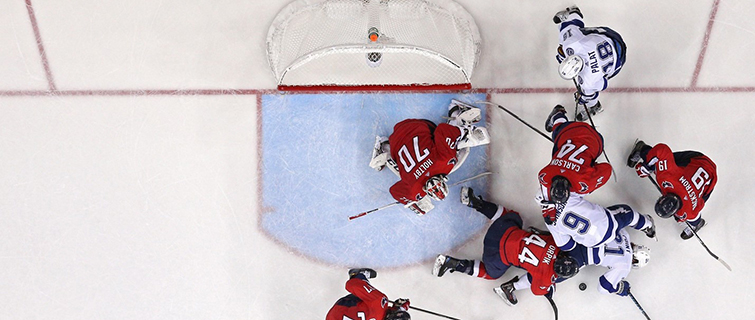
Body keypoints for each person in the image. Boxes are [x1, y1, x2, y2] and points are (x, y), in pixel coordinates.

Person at [432, 187, 580, 306]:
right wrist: (548, 284)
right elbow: (537, 289)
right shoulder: (546, 277)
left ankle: (474, 202)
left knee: (514, 216)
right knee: (492, 275)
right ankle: (451, 263)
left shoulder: (557, 243)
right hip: (495, 254)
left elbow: (539, 232)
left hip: (503, 230)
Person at [369, 99, 490, 215]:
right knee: (405, 176)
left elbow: (443, 130)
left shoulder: (444, 162)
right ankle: (384, 147)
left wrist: (466, 134)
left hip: (414, 125)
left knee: (454, 151)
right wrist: (413, 201)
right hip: (394, 141)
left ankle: (458, 112)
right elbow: (394, 191)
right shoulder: (414, 189)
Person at [627, 140, 718, 239]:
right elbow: (662, 150)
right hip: (698, 162)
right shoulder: (666, 176)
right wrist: (647, 166)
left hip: (706, 173)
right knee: (657, 164)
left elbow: (662, 150)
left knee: (658, 164)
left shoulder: (688, 211)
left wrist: (648, 166)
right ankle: (643, 150)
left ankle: (695, 225)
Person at [553, 6, 627, 121]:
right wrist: (583, 97)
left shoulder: (588, 81)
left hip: (617, 61)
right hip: (612, 38)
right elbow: (568, 27)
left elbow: (603, 85)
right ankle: (574, 13)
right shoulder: (573, 44)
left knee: (590, 91)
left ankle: (595, 107)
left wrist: (585, 97)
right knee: (573, 33)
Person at [538, 105, 612, 205]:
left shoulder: (583, 185)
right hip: (569, 131)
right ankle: (558, 115)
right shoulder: (545, 175)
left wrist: (592, 173)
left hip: (594, 139)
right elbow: (544, 183)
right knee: (558, 137)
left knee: (559, 148)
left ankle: (558, 117)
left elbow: (607, 168)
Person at [326, 268, 411, 320]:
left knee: (377, 300)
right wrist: (397, 309)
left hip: (340, 310)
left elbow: (351, 285)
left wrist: (398, 308)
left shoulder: (380, 302)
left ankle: (358, 275)